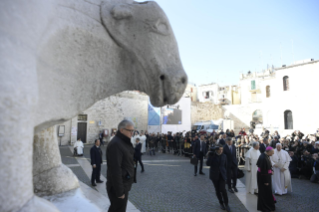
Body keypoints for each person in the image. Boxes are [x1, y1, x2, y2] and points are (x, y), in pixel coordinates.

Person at [106, 120, 135, 212]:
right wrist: (120, 191)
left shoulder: (122, 142)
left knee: (115, 209)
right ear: (122, 130)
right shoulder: (116, 144)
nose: (132, 133)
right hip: (118, 186)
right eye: (130, 130)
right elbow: (115, 169)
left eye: (133, 131)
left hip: (123, 184)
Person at [206, 144, 230, 212]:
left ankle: (226, 204)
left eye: (222, 149)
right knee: (217, 190)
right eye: (220, 149)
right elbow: (208, 164)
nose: (221, 151)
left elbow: (225, 166)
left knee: (223, 189)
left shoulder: (224, 156)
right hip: (214, 175)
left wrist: (226, 175)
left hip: (222, 175)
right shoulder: (212, 155)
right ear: (216, 149)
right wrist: (210, 155)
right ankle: (221, 203)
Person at [256, 146, 275, 212]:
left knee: (266, 192)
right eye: (272, 152)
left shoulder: (264, 155)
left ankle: (266, 205)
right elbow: (263, 171)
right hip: (264, 178)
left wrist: (271, 170)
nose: (273, 154)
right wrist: (266, 181)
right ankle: (265, 207)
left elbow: (268, 166)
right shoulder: (264, 158)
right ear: (269, 152)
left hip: (265, 176)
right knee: (264, 193)